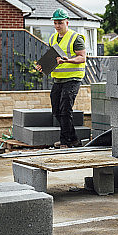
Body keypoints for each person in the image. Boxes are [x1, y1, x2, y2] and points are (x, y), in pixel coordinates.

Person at [44, 8, 87, 148]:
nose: (57, 26)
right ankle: (73, 139)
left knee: (65, 110)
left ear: (67, 22)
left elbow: (82, 58)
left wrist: (68, 61)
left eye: (60, 23)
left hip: (73, 78)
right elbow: (52, 59)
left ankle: (65, 142)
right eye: (55, 23)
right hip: (58, 79)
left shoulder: (76, 38)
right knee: (56, 110)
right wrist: (42, 66)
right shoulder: (52, 38)